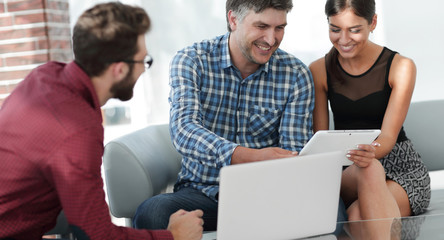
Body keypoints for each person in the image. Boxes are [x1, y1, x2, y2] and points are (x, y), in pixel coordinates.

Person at [0, 2, 203, 240]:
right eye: (143, 62)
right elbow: (96, 236)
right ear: (118, 69)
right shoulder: (76, 131)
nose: (142, 71)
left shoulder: (46, 75)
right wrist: (173, 236)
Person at [133, 0, 322, 231]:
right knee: (152, 212)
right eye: (261, 26)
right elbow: (184, 131)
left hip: (266, 197)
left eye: (279, 28)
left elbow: (294, 152)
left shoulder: (295, 74)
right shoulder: (192, 61)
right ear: (233, 20)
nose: (271, 40)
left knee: (331, 212)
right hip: (201, 195)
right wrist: (250, 156)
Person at [309, 0, 430, 221]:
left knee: (357, 217)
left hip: (400, 169)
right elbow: (321, 139)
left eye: (354, 30)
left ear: (372, 22)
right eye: (335, 29)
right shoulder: (318, 70)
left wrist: (368, 153)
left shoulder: (401, 67)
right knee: (366, 171)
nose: (343, 40)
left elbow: (387, 136)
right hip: (350, 172)